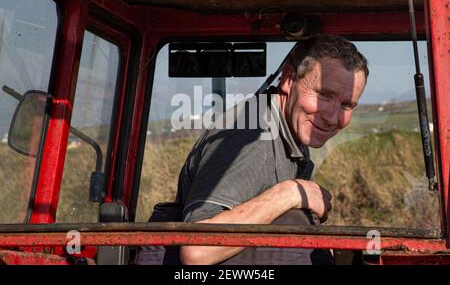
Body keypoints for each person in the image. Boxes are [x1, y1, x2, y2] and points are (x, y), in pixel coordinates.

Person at [136, 34, 369, 265]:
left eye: (347, 105)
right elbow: (198, 250)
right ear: (288, 79)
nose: (332, 116)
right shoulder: (250, 137)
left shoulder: (289, 131)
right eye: (323, 95)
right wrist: (289, 193)